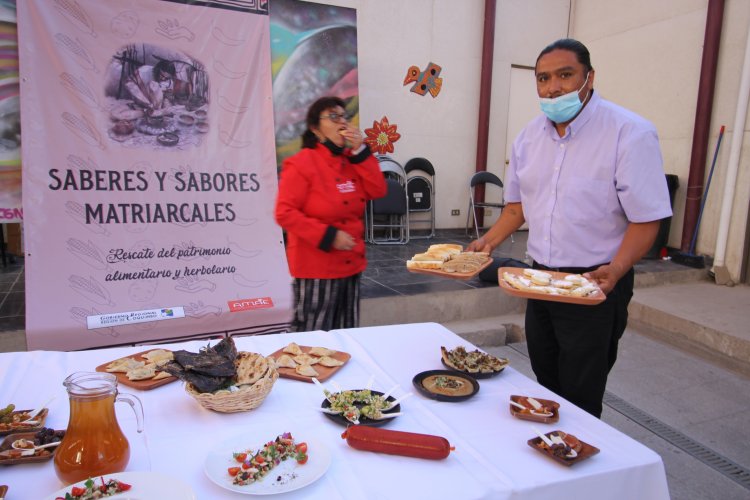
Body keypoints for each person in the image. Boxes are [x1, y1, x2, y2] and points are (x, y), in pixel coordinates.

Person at [467, 39, 672, 417]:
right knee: (546, 374)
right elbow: (518, 207)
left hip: (593, 282)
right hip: (541, 280)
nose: (553, 88)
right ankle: (555, 446)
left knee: (581, 390)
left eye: (565, 75)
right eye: (543, 79)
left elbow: (648, 218)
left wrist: (618, 268)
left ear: (589, 77)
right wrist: (486, 243)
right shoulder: (528, 139)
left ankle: (578, 455)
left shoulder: (629, 133)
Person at [275, 96, 386, 332]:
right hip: (316, 267)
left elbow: (378, 190)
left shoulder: (352, 161)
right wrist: (329, 235)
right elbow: (284, 213)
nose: (342, 122)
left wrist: (361, 150)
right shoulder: (301, 164)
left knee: (347, 332)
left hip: (350, 265)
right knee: (314, 335)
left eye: (343, 116)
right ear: (316, 129)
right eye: (333, 117)